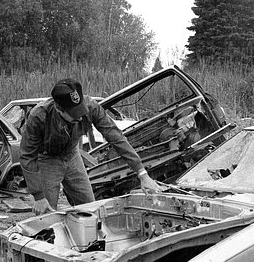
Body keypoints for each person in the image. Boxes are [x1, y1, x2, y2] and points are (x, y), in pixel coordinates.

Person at [20, 78, 163, 215]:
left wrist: (142, 173)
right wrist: (38, 196)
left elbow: (116, 137)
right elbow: (27, 155)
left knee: (90, 207)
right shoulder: (39, 116)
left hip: (72, 156)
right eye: (74, 114)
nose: (81, 117)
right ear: (59, 109)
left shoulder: (91, 107)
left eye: (80, 110)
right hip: (47, 160)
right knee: (47, 213)